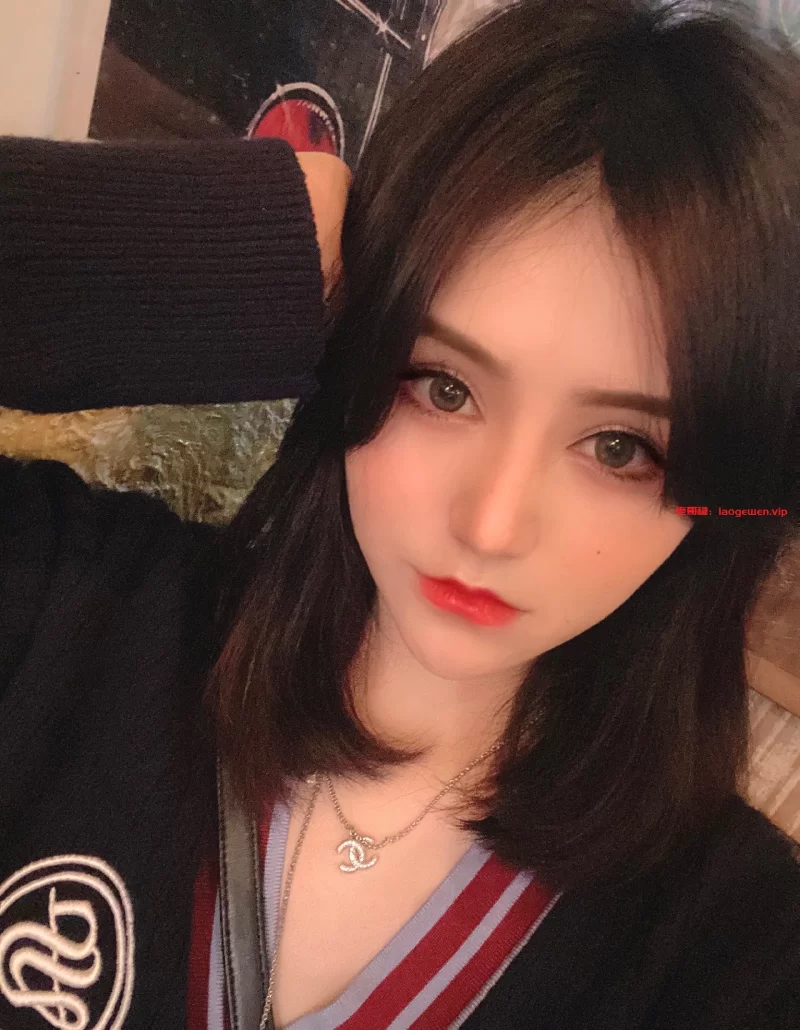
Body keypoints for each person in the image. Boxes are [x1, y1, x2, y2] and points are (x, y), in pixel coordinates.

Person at [1, 0, 799, 1028]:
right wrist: (237, 244)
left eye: (618, 448)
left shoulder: (733, 946)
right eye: (444, 386)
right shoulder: (69, 620)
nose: (492, 525)